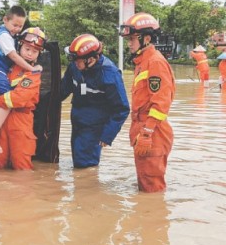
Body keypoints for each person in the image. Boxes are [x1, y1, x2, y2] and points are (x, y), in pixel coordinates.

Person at [0, 6, 43, 157]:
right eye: (27, 49)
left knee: (21, 166)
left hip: (20, 124)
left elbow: (17, 99)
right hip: (2, 126)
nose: (29, 53)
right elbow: (12, 57)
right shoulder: (10, 65)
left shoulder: (33, 73)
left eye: (34, 51)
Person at [119, 12, 176, 193]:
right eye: (128, 39)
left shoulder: (155, 62)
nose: (129, 43)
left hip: (153, 133)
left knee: (152, 190)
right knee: (145, 184)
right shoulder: (142, 62)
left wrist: (147, 132)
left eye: (132, 39)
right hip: (143, 131)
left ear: (147, 38)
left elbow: (161, 103)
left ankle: (153, 220)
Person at [60, 34, 130, 168]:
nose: (74, 62)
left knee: (85, 166)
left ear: (91, 59)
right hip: (77, 121)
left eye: (77, 60)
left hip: (94, 127)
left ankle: (88, 185)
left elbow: (122, 109)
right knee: (78, 160)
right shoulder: (75, 67)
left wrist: (107, 135)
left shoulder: (109, 75)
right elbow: (62, 90)